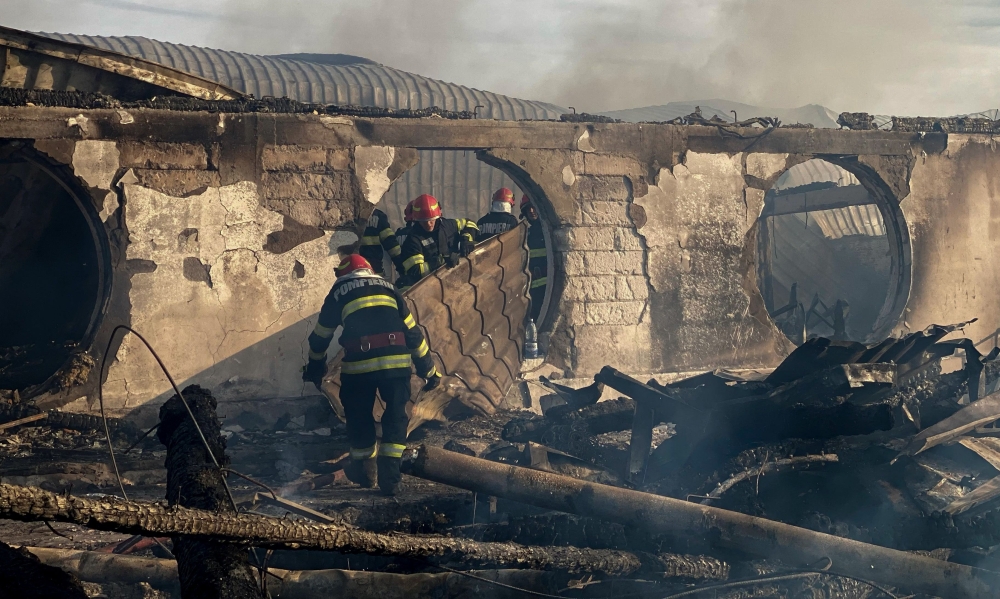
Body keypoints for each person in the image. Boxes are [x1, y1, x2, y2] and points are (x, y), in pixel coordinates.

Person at [302, 254, 441, 495]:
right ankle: (391, 480)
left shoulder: (339, 291)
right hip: (396, 364)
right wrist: (429, 371)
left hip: (360, 366)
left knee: (359, 417)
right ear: (368, 270)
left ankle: (366, 472)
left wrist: (315, 368)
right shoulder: (390, 288)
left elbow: (320, 337)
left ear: (344, 274)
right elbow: (413, 334)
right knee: (396, 416)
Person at [399, 194, 478, 285]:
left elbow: (469, 223)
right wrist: (441, 261)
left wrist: (466, 239)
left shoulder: (447, 226)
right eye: (424, 221)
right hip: (432, 287)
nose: (428, 224)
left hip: (458, 281)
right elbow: (415, 272)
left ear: (438, 216)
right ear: (417, 220)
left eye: (431, 219)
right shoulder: (413, 240)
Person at [521, 195, 547, 322]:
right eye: (528, 209)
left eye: (533, 207)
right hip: (532, 288)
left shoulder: (547, 231)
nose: (531, 211)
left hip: (548, 287)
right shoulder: (526, 233)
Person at [358, 207, 402, 276]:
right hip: (374, 268)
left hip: (351, 268)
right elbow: (390, 242)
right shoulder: (378, 215)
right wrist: (401, 264)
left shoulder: (347, 215)